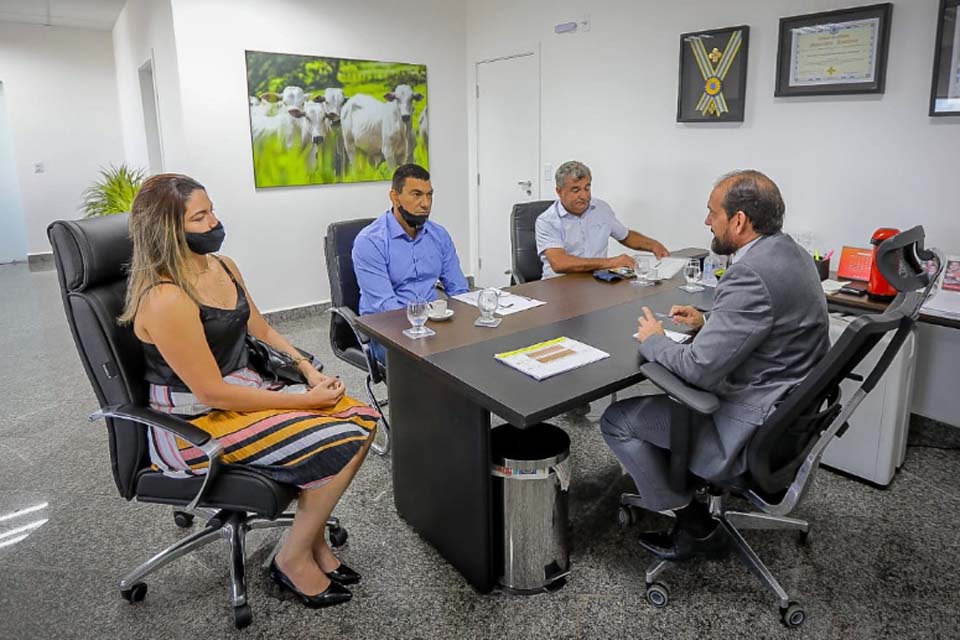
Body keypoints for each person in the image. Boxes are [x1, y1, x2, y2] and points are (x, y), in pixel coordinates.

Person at [120, 174, 377, 609]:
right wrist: (300, 401)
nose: (215, 222)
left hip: (243, 393)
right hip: (192, 425)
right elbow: (211, 392)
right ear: (168, 229)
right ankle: (293, 559)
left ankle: (310, 542)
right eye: (200, 217)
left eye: (212, 210)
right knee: (342, 436)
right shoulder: (165, 297)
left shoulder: (222, 266)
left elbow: (261, 328)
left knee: (362, 419)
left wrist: (306, 372)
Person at [600, 170, 829, 561]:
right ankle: (687, 488)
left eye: (712, 213)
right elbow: (773, 327)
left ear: (739, 221)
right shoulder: (792, 254)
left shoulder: (751, 274)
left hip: (748, 424)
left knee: (617, 420)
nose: (707, 221)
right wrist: (709, 323)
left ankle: (694, 525)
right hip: (786, 413)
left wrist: (654, 338)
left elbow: (698, 370)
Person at [352, 163, 469, 364]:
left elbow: (459, 290)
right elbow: (386, 308)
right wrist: (431, 329)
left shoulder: (439, 235)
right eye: (416, 195)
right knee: (437, 366)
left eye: (429, 195)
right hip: (389, 332)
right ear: (395, 197)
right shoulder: (371, 241)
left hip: (433, 323)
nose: (426, 203)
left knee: (477, 351)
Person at [536, 160, 669, 278]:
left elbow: (626, 236)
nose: (584, 195)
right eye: (576, 190)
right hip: (559, 286)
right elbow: (560, 263)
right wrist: (611, 262)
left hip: (597, 280)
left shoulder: (601, 209)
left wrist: (653, 245)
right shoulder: (547, 221)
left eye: (587, 188)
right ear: (559, 191)